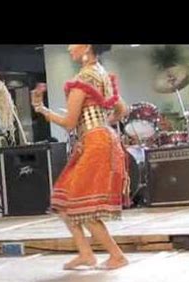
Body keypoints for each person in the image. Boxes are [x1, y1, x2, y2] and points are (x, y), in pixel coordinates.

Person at [31, 44, 130, 270]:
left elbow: (69, 123)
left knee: (80, 205)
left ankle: (116, 255)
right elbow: (122, 109)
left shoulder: (83, 78)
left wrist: (41, 109)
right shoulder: (101, 73)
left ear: (87, 46)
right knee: (63, 201)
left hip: (96, 144)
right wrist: (103, 124)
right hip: (101, 139)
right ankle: (86, 253)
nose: (68, 48)